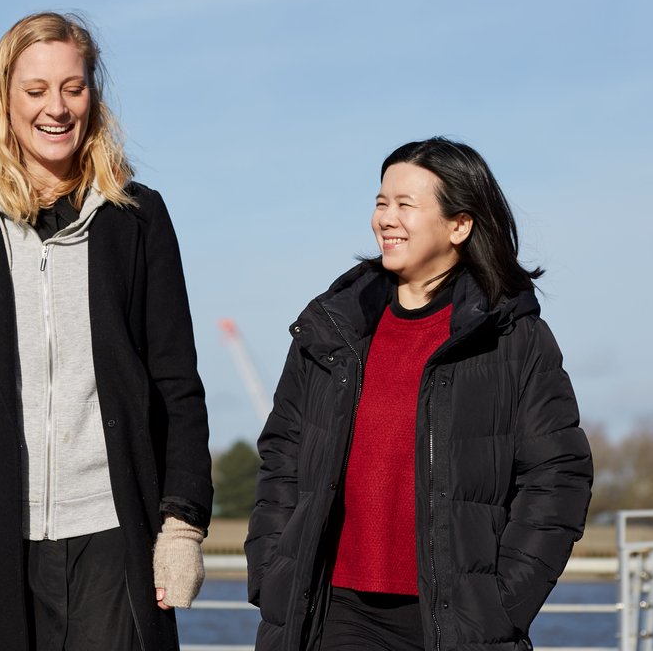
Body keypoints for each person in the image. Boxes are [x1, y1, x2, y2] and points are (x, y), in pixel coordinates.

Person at [0, 12, 213, 651]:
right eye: (35, 91)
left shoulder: (139, 218)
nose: (56, 108)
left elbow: (178, 385)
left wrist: (182, 524)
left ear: (94, 96)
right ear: (4, 99)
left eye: (73, 87)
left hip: (114, 536)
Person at [245, 137, 592, 651]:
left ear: (459, 225)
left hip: (456, 623)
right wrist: (273, 570)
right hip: (333, 613)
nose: (386, 218)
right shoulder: (330, 331)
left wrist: (500, 604)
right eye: (381, 202)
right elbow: (282, 457)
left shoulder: (512, 338)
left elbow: (558, 476)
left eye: (406, 205)